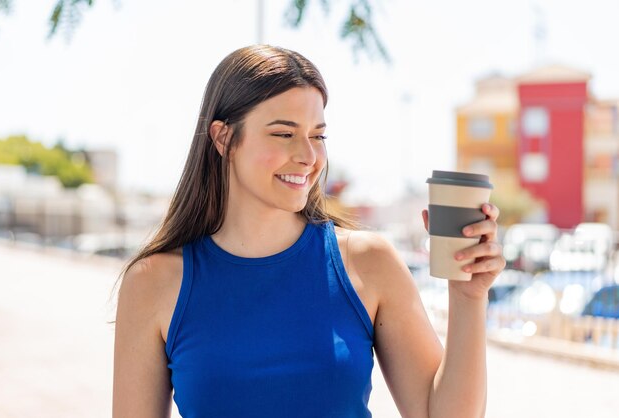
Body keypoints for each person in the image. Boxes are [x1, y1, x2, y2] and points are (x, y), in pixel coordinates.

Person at [112, 44, 506, 418]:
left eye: (318, 136)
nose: (308, 156)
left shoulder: (368, 263)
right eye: (284, 134)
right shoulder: (152, 283)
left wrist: (468, 295)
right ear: (223, 137)